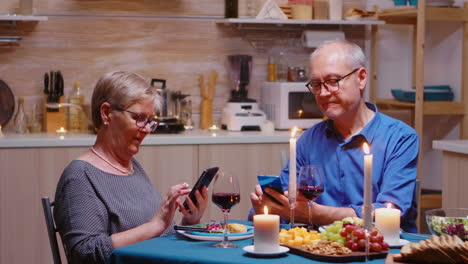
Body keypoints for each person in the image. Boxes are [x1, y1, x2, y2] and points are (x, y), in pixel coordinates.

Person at [250, 40, 419, 232]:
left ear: (361, 78)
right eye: (316, 84)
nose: (322, 93)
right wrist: (267, 208)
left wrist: (314, 214)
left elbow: (389, 213)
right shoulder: (309, 140)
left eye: (332, 81)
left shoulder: (400, 138)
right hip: (320, 252)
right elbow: (287, 208)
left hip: (381, 252)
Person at [53, 71, 209, 264]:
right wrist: (155, 225)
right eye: (139, 118)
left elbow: (157, 238)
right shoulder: (80, 177)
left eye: (150, 121)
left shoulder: (132, 168)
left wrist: (188, 222)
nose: (146, 129)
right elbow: (83, 255)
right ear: (106, 113)